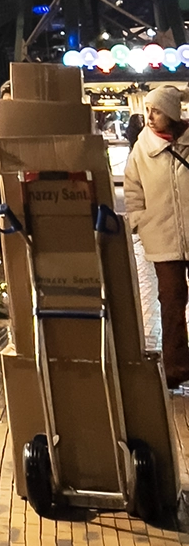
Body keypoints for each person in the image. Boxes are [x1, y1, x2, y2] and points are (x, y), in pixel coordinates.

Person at [122, 83, 189, 390]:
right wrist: (140, 221)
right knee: (171, 302)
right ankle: (176, 367)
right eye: (148, 110)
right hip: (162, 238)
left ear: (173, 114)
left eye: (157, 111)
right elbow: (132, 188)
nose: (149, 116)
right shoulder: (141, 149)